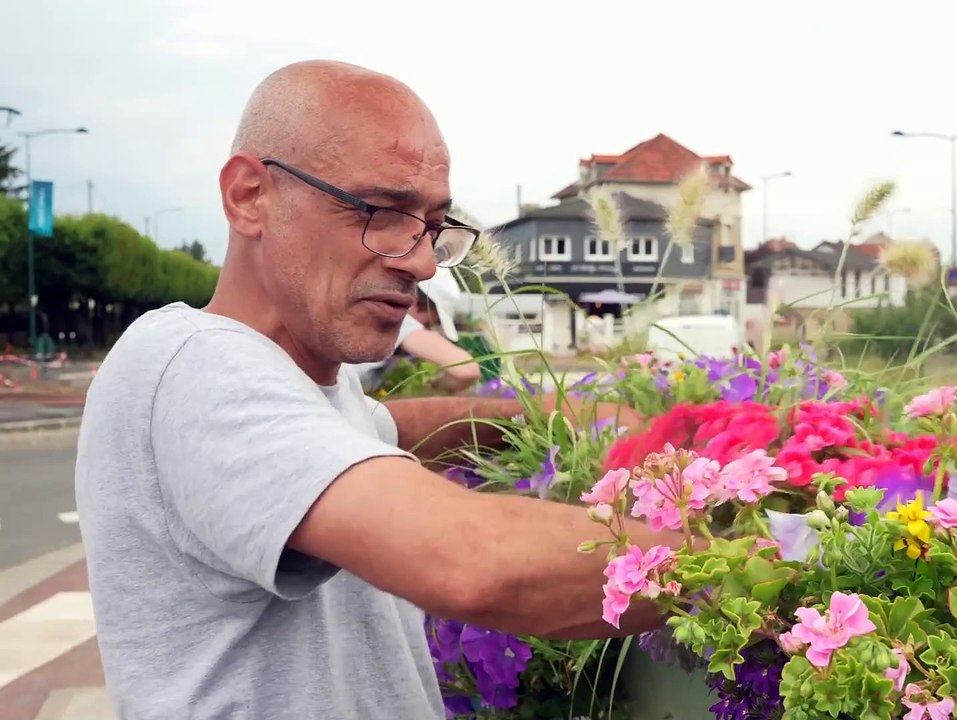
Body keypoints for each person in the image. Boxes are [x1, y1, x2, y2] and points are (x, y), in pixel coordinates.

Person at [74, 60, 672, 720]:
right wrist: (764, 557)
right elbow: (475, 562)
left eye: (434, 226)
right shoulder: (193, 367)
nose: (418, 260)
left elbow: (389, 427)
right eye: (382, 212)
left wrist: (560, 416)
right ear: (249, 196)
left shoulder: (305, 392)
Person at [350, 269, 482, 393]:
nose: (427, 330)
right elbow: (467, 368)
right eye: (429, 323)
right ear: (414, 299)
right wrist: (435, 389)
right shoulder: (400, 322)